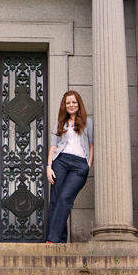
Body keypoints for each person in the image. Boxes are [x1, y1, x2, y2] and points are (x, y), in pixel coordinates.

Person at [45, 90, 93, 244]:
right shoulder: (60, 124)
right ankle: (60, 240)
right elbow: (53, 146)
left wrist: (88, 164)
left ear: (78, 104)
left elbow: (91, 145)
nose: (71, 105)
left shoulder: (88, 122)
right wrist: (49, 166)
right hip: (61, 161)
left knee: (65, 198)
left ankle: (52, 239)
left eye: (74, 102)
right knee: (56, 200)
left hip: (79, 165)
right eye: (68, 103)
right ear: (64, 106)